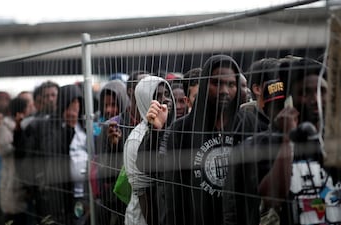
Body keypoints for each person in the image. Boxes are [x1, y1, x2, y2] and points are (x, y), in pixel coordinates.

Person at [223, 56, 339, 225]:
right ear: (289, 98)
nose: (315, 99)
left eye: (321, 91)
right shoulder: (259, 147)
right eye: (305, 92)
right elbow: (271, 198)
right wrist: (288, 138)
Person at [159, 55, 255, 225]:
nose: (224, 90)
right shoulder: (182, 129)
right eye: (217, 83)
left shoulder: (248, 124)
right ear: (204, 84)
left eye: (231, 84)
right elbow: (172, 192)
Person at [21, 84, 89, 225]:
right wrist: (68, 129)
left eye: (78, 102)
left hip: (83, 192)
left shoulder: (85, 125)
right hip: (56, 193)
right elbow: (51, 151)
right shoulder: (48, 126)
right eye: (71, 102)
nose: (75, 106)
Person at [94, 71, 150, 225]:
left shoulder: (155, 123)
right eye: (144, 86)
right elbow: (105, 174)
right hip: (120, 207)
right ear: (130, 92)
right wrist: (115, 147)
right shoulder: (112, 126)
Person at [124, 75, 176, 225]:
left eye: (167, 94)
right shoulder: (137, 139)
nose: (166, 100)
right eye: (157, 96)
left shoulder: (176, 130)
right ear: (145, 101)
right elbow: (143, 195)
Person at [0, 97, 31, 224]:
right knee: (13, 211)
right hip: (11, 171)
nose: (30, 109)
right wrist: (17, 142)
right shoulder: (5, 126)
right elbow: (3, 149)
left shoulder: (26, 124)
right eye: (28, 107)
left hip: (21, 171)